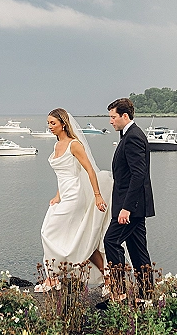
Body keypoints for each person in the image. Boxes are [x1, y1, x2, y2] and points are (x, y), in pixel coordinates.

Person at [36, 108, 113, 292]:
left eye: (53, 123)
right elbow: (62, 176)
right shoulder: (56, 146)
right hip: (64, 194)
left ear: (63, 123)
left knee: (48, 231)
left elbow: (89, 170)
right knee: (81, 236)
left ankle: (53, 276)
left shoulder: (74, 144)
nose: (50, 127)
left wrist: (97, 195)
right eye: (48, 123)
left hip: (76, 195)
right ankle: (106, 276)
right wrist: (57, 195)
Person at [104, 98, 155, 300]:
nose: (111, 121)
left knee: (111, 241)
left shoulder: (133, 137)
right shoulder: (129, 135)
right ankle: (145, 296)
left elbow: (138, 175)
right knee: (137, 249)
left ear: (125, 116)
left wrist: (126, 208)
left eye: (113, 117)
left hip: (131, 206)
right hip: (134, 204)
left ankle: (119, 294)